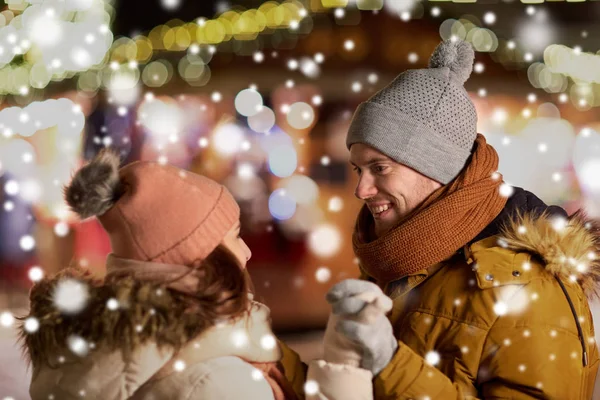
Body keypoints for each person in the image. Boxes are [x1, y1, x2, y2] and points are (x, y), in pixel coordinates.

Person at [307, 39, 600, 399]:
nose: (362, 189)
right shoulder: (401, 262)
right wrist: (268, 361)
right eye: (358, 170)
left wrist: (391, 363)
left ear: (437, 168)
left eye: (379, 168)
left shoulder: (526, 285)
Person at [19, 149, 306, 400]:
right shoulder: (218, 381)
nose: (246, 251)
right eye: (234, 236)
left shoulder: (104, 357)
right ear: (195, 258)